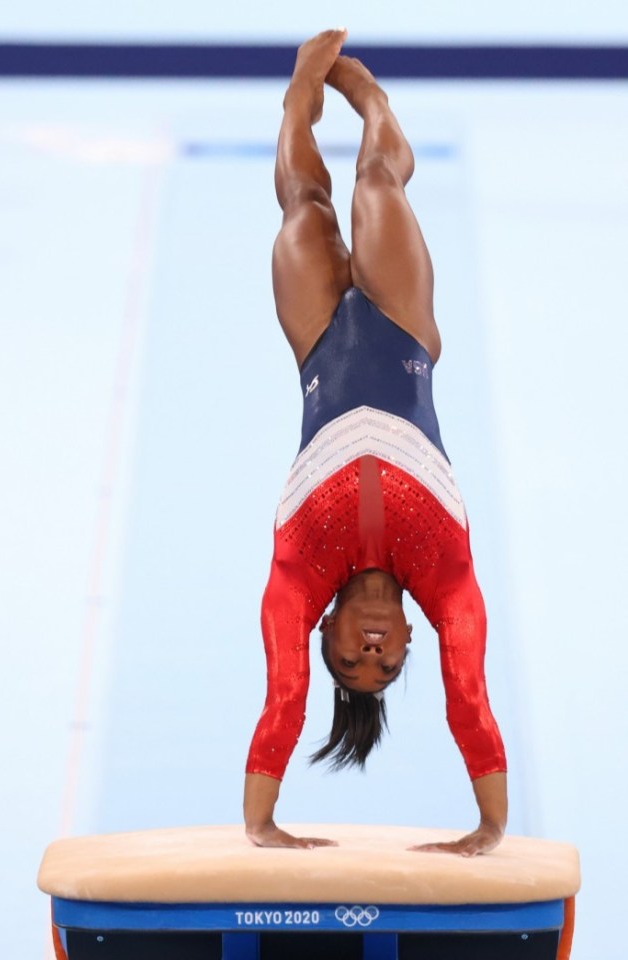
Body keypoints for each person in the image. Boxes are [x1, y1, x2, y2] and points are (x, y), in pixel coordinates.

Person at [243, 29, 508, 856]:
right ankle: (375, 107)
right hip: (400, 332)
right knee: (373, 181)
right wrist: (491, 828)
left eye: (350, 663)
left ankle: (297, 97)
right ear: (407, 640)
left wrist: (259, 825)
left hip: (320, 343)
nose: (368, 653)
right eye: (385, 667)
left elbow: (282, 694)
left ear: (321, 634)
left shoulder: (296, 578)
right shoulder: (447, 578)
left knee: (303, 207)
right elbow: (468, 693)